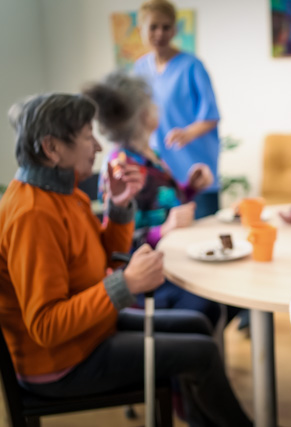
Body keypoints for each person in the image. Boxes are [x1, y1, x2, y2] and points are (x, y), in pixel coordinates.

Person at [0, 93, 252, 426]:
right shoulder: (32, 215)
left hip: (90, 331)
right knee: (201, 353)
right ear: (52, 148)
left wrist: (118, 208)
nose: (98, 148)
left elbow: (105, 257)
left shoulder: (66, 192)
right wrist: (126, 284)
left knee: (199, 324)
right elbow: (46, 326)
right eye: (88, 137)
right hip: (60, 363)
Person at [84, 70, 226, 331]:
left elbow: (162, 203)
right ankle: (187, 364)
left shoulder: (150, 155)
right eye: (152, 102)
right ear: (144, 115)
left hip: (170, 260)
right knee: (212, 302)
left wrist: (189, 188)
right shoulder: (122, 168)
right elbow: (121, 246)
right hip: (151, 278)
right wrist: (165, 229)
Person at [134, 0, 221, 219]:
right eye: (153, 27)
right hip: (162, 172)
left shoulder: (192, 66)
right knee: (170, 238)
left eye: (166, 27)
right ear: (141, 30)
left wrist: (188, 133)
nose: (160, 33)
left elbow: (211, 116)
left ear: (175, 29)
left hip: (196, 167)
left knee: (204, 235)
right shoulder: (140, 69)